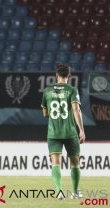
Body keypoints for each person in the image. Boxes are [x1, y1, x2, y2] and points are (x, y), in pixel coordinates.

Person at [41, 63, 85, 200]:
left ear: (56, 75)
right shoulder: (72, 90)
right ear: (69, 75)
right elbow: (76, 110)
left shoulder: (47, 90)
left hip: (53, 133)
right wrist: (81, 130)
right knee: (75, 162)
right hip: (70, 132)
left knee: (55, 162)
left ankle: (59, 192)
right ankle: (75, 192)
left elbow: (44, 113)